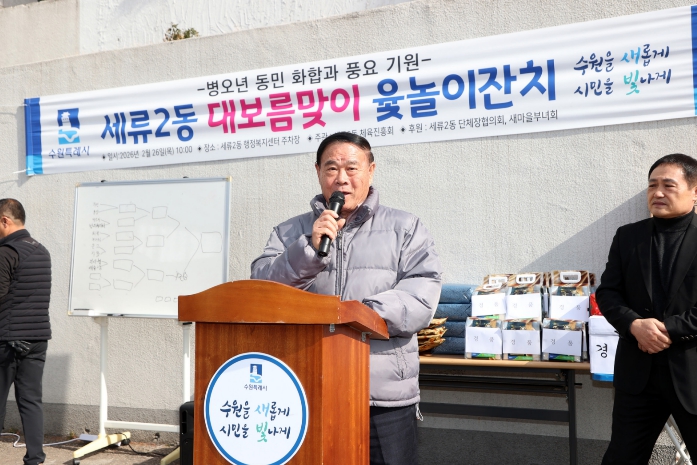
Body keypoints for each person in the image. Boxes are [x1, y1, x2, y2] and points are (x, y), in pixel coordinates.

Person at [251, 132, 442, 465]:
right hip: (306, 386)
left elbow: (420, 298)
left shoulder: (405, 228)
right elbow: (261, 290)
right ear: (318, 172)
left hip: (381, 394)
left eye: (351, 168)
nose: (341, 178)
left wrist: (355, 314)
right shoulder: (288, 233)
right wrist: (308, 250)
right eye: (331, 168)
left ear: (371, 170)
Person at [597, 154, 697, 464]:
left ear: (694, 191)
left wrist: (667, 329)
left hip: (692, 371)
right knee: (622, 457)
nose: (658, 193)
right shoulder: (628, 236)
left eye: (669, 185)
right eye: (652, 185)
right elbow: (608, 293)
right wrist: (634, 325)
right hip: (637, 375)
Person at [0, 199, 51, 465]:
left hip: (7, 340)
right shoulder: (41, 250)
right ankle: (35, 459)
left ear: (5, 221)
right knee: (31, 401)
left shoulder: (6, 252)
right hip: (37, 339)